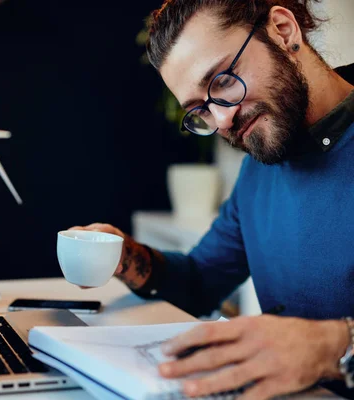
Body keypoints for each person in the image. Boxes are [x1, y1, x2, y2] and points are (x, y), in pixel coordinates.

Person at [70, 1, 354, 398]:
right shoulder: (261, 169)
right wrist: (126, 256)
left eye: (221, 80)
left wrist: (331, 347)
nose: (221, 120)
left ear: (283, 31)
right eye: (199, 109)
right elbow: (200, 282)